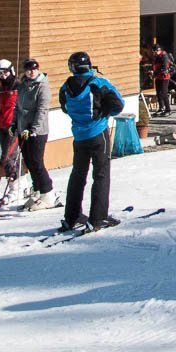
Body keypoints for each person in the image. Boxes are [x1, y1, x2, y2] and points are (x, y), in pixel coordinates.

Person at [58, 51, 125, 231]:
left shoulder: (66, 86)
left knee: (77, 176)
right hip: (98, 134)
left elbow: (64, 107)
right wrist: (104, 114)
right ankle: (98, 218)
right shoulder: (98, 83)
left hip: (79, 136)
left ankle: (71, 217)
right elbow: (119, 104)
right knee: (101, 175)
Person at [13, 58, 56, 211]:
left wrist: (34, 129)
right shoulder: (22, 85)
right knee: (29, 161)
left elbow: (42, 109)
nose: (31, 72)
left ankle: (48, 193)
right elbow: (17, 107)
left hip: (37, 131)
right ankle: (37, 191)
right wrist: (14, 124)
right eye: (28, 69)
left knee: (37, 161)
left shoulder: (42, 86)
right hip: (23, 129)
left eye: (34, 69)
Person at [0, 58, 20, 204]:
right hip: (3, 126)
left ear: (11, 71)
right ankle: (22, 185)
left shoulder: (18, 86)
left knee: (7, 158)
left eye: (4, 72)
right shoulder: (2, 89)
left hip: (13, 127)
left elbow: (19, 108)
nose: (2, 76)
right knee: (8, 158)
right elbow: (4, 109)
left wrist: (17, 123)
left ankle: (14, 190)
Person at [151, 43, 173, 116]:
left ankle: (168, 110)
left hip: (164, 77)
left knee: (164, 93)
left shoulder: (164, 56)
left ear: (158, 50)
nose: (154, 53)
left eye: (154, 52)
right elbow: (155, 66)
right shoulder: (157, 56)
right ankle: (161, 108)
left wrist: (155, 73)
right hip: (158, 77)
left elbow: (164, 68)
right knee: (158, 93)